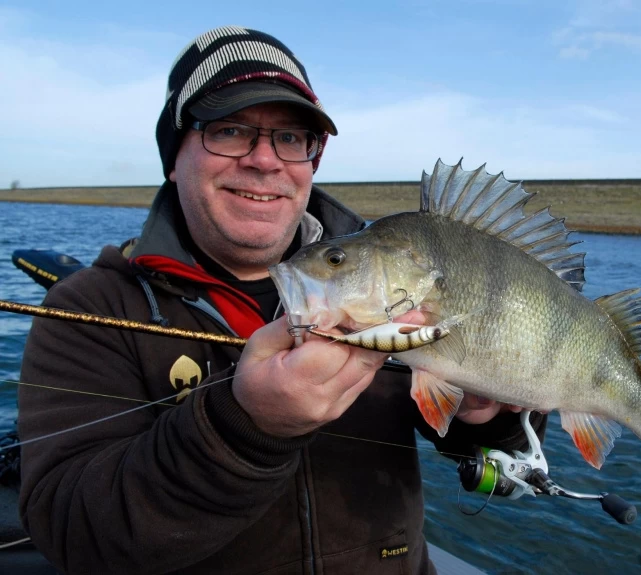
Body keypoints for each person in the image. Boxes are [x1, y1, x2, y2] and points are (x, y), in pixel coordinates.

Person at [17, 26, 546, 574]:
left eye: (291, 137)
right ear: (173, 156)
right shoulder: (88, 308)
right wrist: (246, 427)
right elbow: (73, 532)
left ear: (312, 160)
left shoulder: (385, 278)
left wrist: (487, 421)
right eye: (229, 130)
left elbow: (488, 447)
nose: (265, 160)